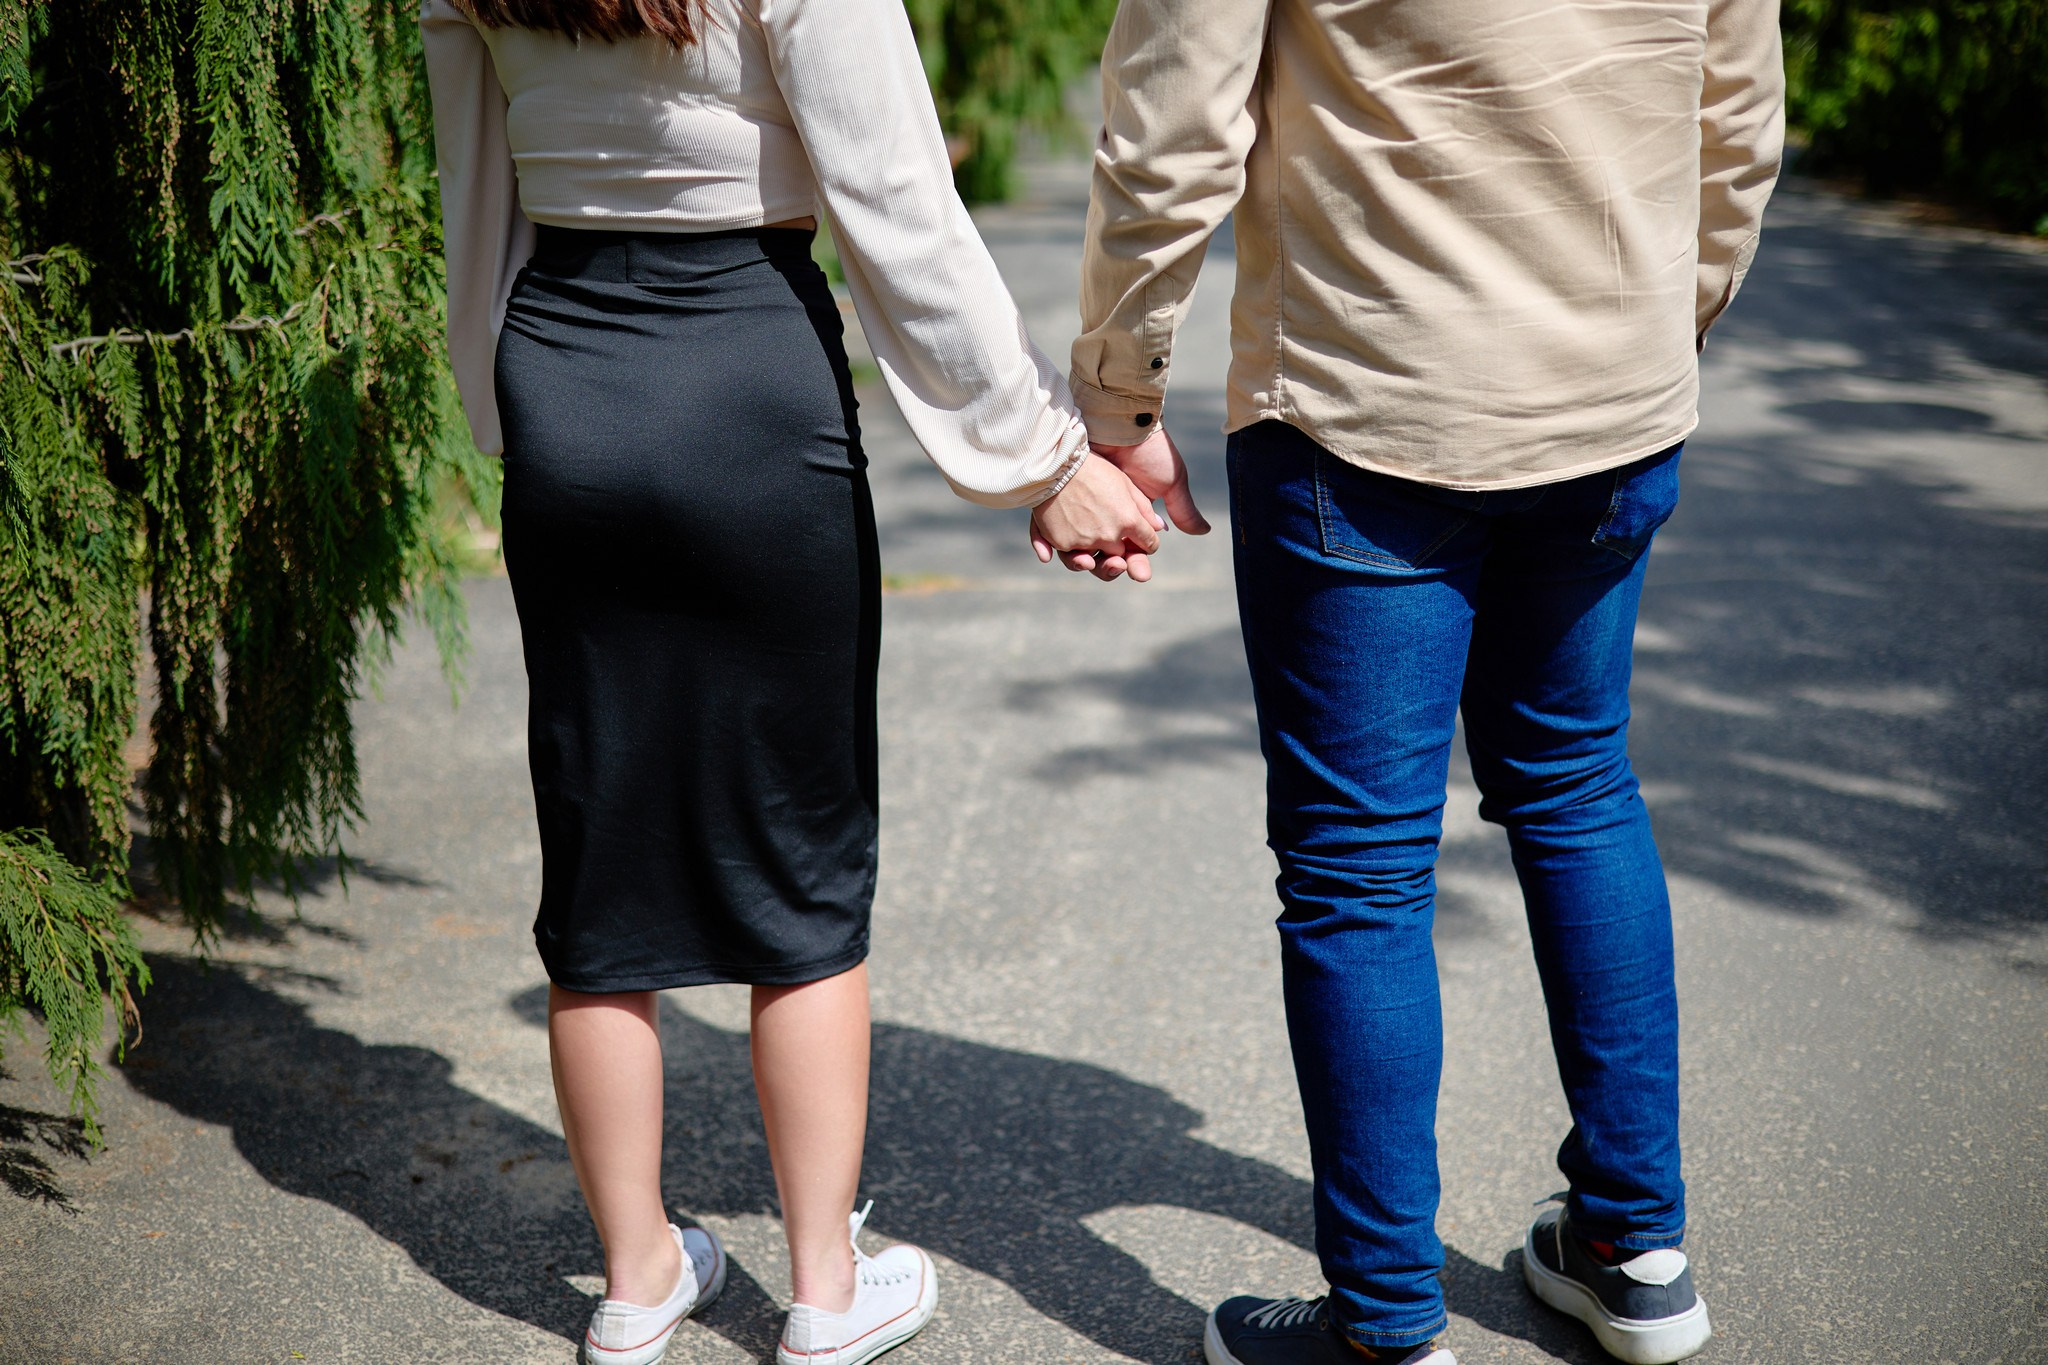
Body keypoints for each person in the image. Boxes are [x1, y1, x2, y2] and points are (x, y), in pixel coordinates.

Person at [420, 1, 1166, 1361]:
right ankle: (824, 1290)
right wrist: (1041, 461)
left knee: (599, 863)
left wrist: (513, 419)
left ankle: (637, 1278)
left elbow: (475, 197)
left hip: (567, 381)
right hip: (751, 379)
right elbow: (895, 201)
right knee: (799, 848)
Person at [1071, 0, 1784, 1362]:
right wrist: (1664, 319)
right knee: (1579, 782)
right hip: (1611, 393)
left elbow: (1175, 118)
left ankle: (1388, 1327)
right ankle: (1637, 1249)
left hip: (1367, 402)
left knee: (1359, 866)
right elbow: (1736, 102)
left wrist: (1120, 393)